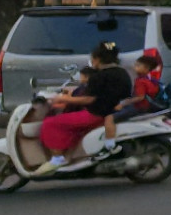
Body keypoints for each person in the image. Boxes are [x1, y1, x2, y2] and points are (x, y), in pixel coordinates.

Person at [34, 42, 132, 174]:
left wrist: (61, 98)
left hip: (95, 114)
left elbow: (88, 99)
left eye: (92, 59)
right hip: (112, 112)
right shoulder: (122, 73)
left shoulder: (98, 76)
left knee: (50, 123)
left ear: (97, 59)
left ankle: (57, 159)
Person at [106, 52, 162, 145]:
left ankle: (110, 144)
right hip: (147, 106)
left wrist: (122, 104)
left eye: (138, 65)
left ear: (146, 68)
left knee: (110, 118)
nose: (134, 67)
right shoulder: (151, 79)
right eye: (135, 65)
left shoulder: (141, 81)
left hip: (138, 107)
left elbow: (140, 97)